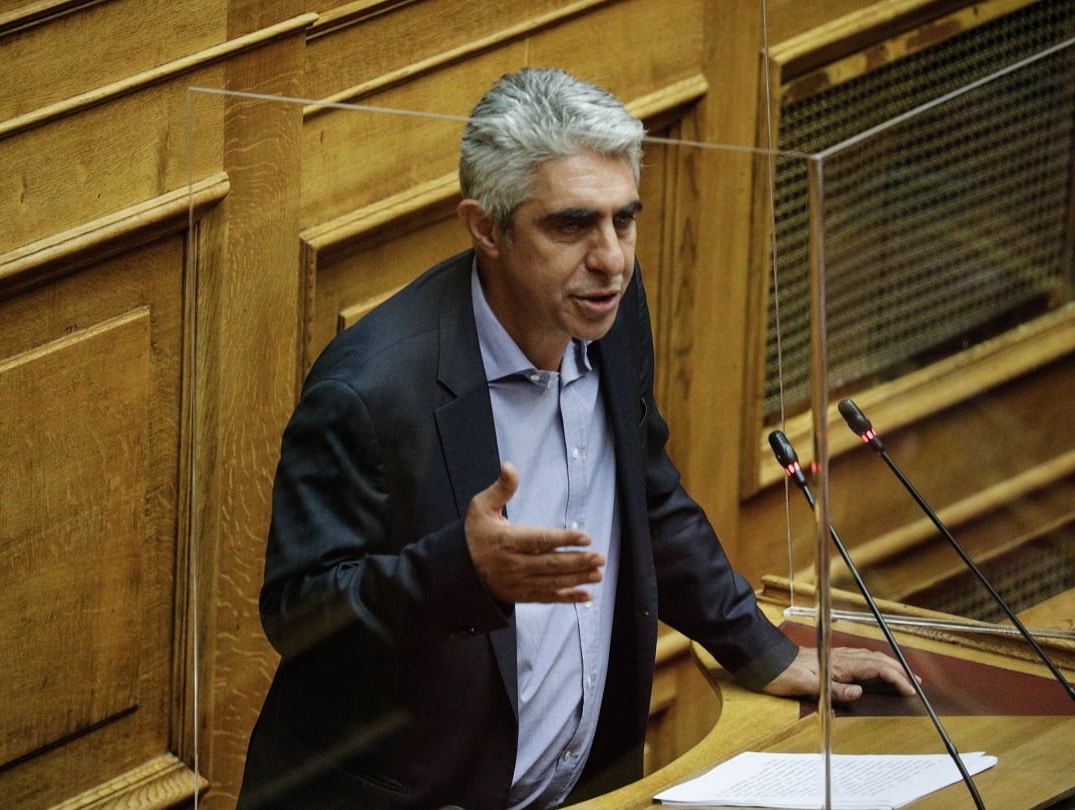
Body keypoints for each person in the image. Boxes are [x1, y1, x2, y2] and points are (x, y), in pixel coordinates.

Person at [236, 67, 913, 810]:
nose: (611, 257)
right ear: (486, 227)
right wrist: (461, 573)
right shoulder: (369, 391)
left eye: (624, 220)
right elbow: (297, 615)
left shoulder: (606, 306)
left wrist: (760, 649)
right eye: (571, 225)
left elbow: (644, 494)